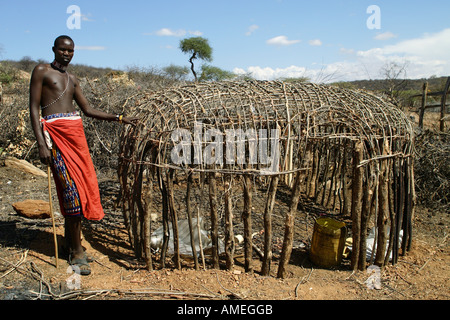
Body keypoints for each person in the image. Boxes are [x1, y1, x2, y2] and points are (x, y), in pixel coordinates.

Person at [29, 35, 138, 275]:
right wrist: (41, 145)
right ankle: (76, 253)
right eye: (63, 49)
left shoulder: (72, 79)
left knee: (81, 190)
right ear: (54, 49)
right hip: (56, 139)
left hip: (76, 140)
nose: (67, 54)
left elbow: (88, 110)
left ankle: (72, 243)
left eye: (71, 51)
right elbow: (34, 107)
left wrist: (119, 118)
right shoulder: (41, 71)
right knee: (71, 194)